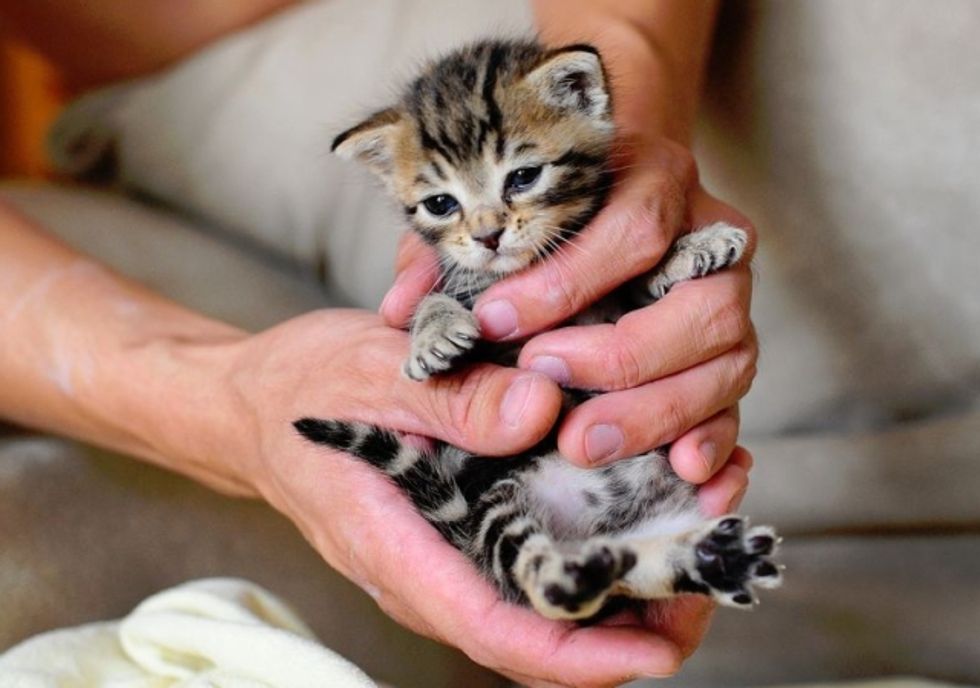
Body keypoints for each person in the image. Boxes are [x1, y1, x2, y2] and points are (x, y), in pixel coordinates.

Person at [0, 1, 759, 685]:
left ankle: (658, 562)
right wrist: (231, 404)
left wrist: (649, 204)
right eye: (441, 205)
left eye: (519, 180)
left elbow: (609, 163)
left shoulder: (562, 121)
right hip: (163, 116)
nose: (487, 230)